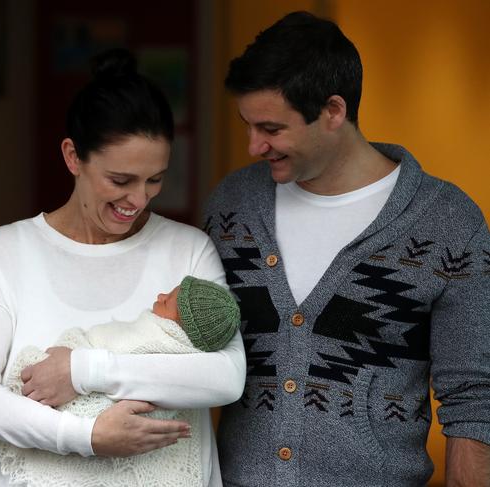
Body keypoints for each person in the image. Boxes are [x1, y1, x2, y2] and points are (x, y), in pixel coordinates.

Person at [204, 11, 490, 487]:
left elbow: (475, 399)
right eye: (247, 125)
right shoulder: (233, 206)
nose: (254, 145)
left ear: (333, 111)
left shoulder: (447, 222)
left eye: (272, 129)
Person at [0, 48, 246, 486]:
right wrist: (86, 435)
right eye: (121, 181)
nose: (139, 200)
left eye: (155, 179)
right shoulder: (7, 251)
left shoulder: (187, 251)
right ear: (72, 157)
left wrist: (82, 372)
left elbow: (225, 377)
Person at [0, 276, 241, 486]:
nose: (161, 295)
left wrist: (77, 361)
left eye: (169, 302)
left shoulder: (163, 343)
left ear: (181, 326)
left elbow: (127, 349)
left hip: (103, 409)